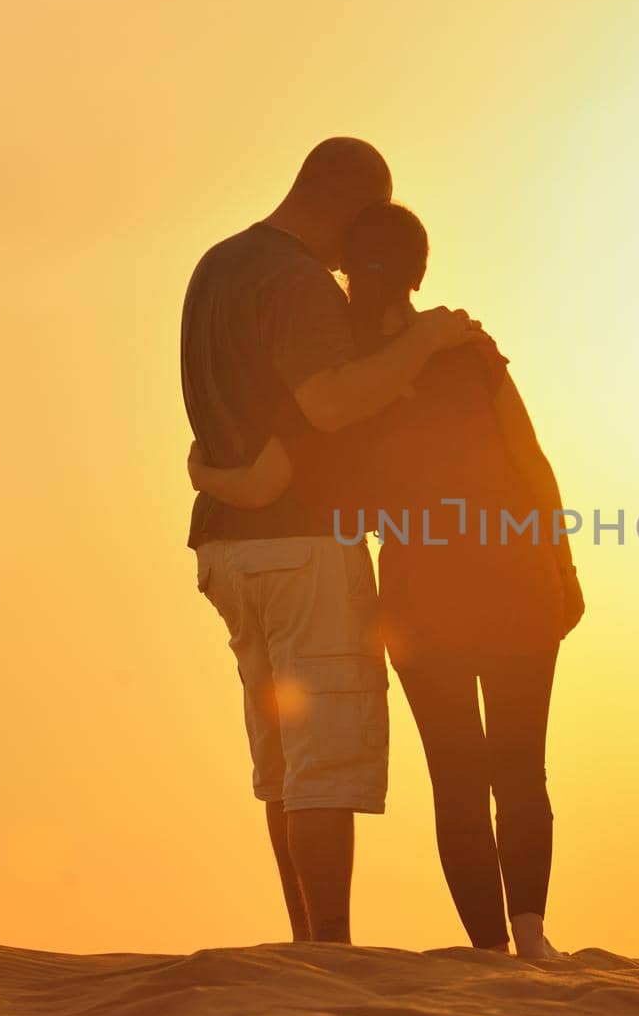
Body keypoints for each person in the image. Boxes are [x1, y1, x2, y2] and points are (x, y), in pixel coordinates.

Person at [189, 202, 584, 958]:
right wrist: (562, 565)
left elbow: (268, 480)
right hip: (516, 573)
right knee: (520, 768)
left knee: (459, 778)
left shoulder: (336, 384)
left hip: (419, 599)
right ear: (421, 269)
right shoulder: (467, 351)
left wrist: (202, 470)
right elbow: (533, 464)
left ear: (342, 273)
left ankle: (491, 951)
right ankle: (531, 937)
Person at [181, 138, 480, 944]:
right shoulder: (299, 280)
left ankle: (305, 947)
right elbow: (330, 403)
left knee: (281, 763)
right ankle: (333, 952)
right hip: (302, 543)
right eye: (369, 219)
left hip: (226, 551)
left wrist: (214, 477)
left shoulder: (216, 265)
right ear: (345, 202)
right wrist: (425, 341)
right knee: (321, 762)